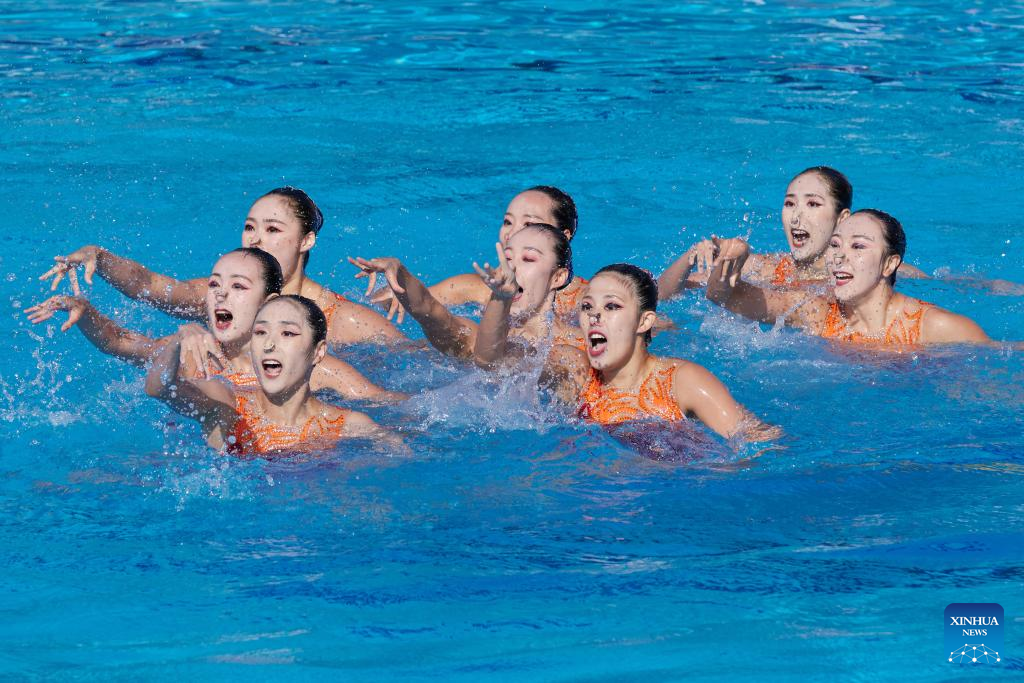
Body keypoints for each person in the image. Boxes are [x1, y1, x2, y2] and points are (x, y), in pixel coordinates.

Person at [27, 248, 406, 402]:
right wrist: (83, 309)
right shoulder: (191, 354)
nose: (221, 295)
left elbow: (393, 405)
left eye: (238, 287)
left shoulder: (311, 369)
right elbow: (118, 341)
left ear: (268, 303)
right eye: (214, 286)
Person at [39, 187, 405, 345]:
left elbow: (419, 369)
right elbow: (149, 285)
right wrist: (99, 257)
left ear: (306, 241)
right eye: (249, 227)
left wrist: (414, 296)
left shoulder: (340, 319)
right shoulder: (221, 294)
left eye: (273, 229)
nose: (254, 239)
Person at [474, 257, 778, 441]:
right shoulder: (575, 371)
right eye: (587, 306)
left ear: (644, 321)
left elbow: (758, 439)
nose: (594, 315)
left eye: (612, 306)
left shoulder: (680, 381)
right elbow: (490, 360)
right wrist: (501, 300)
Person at [145, 295, 401, 455]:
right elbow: (160, 388)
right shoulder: (228, 404)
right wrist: (178, 340)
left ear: (318, 352)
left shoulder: (346, 425)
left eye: (288, 333)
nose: (269, 344)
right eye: (260, 333)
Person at [704, 209, 992, 347]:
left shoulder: (933, 327)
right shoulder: (815, 312)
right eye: (835, 245)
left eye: (858, 247)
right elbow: (723, 297)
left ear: (890, 264)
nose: (839, 257)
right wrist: (732, 260)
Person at [658, 166, 927, 299]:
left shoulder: (877, 271)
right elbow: (663, 294)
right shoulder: (763, 268)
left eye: (813, 204)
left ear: (842, 218)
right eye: (789, 204)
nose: (797, 217)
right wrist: (692, 256)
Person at [350, 222, 583, 360]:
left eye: (529, 259)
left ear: (558, 277)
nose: (511, 268)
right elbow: (430, 312)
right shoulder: (473, 333)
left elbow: (493, 360)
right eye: (508, 258)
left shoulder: (577, 348)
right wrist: (399, 272)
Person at [369, 186, 589, 323]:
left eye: (529, 224)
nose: (512, 233)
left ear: (563, 237)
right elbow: (387, 301)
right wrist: (398, 280)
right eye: (507, 222)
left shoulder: (584, 300)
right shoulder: (480, 287)